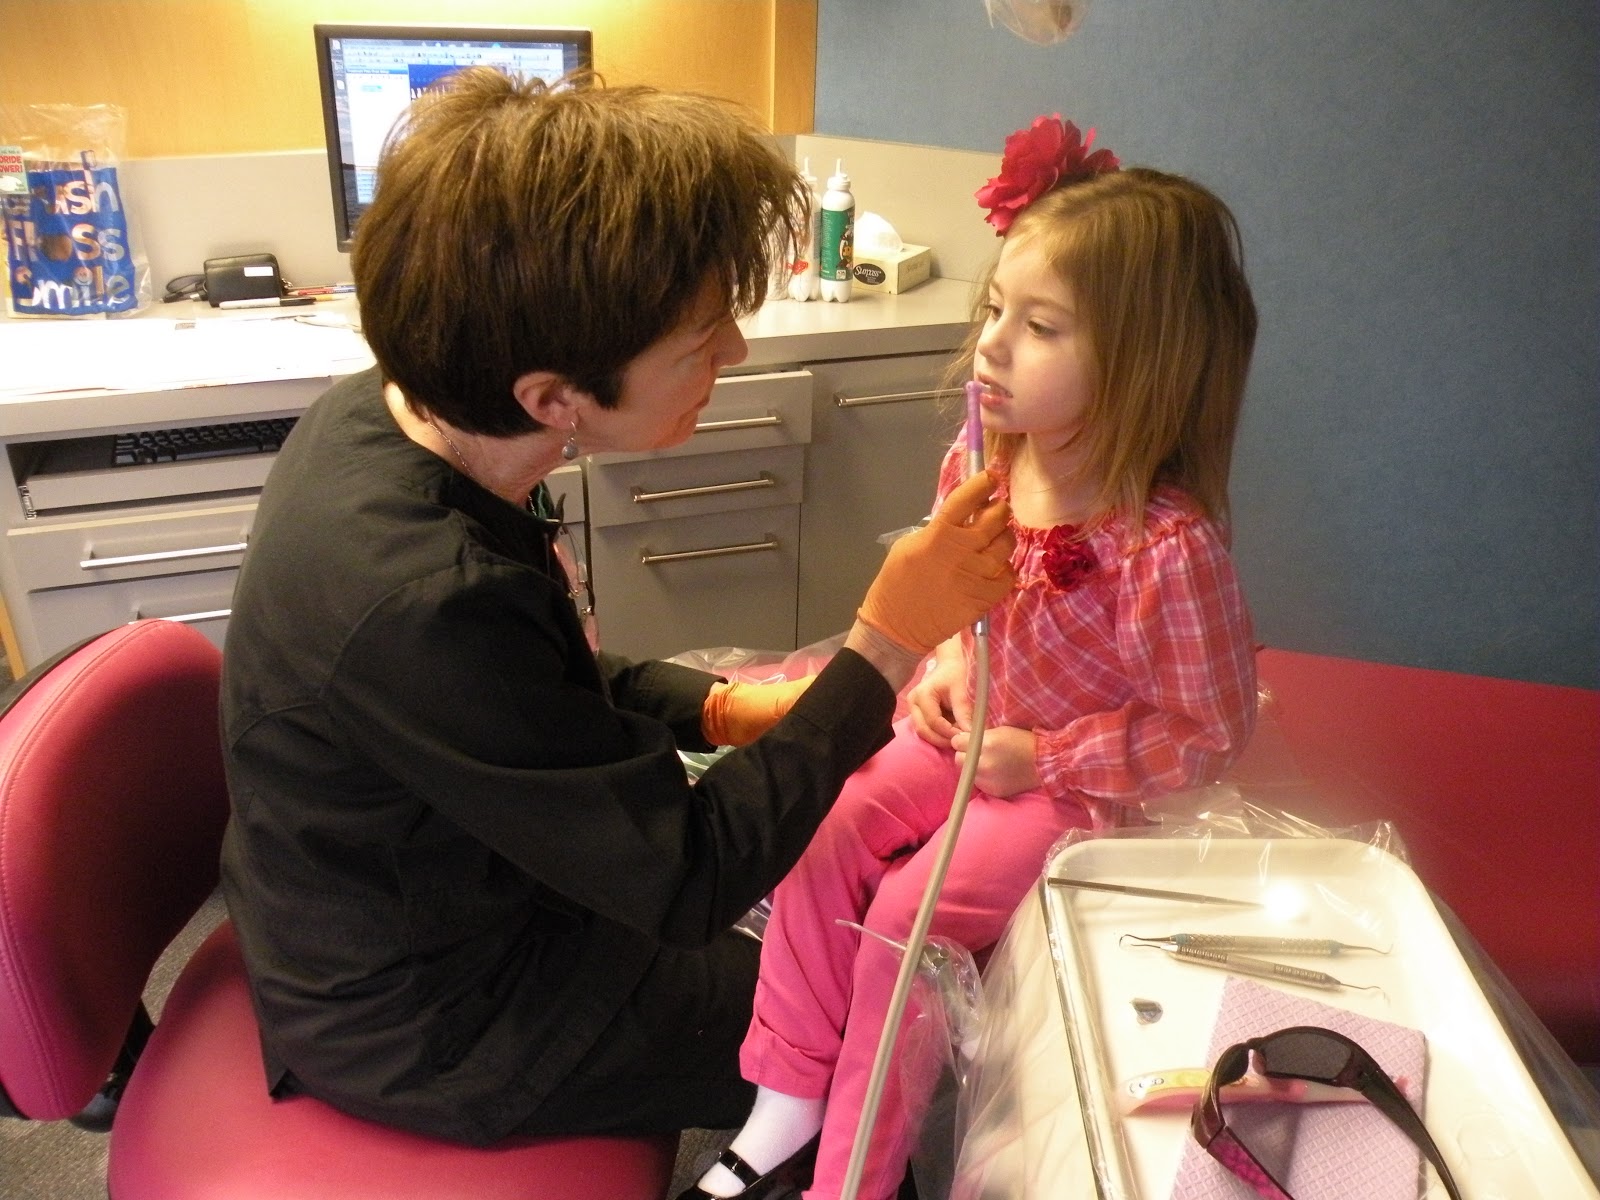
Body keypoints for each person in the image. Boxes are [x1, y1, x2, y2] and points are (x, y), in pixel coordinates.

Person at [217, 68, 1016, 1149]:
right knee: (874, 1021)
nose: (733, 354)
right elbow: (687, 875)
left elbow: (531, 687)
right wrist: (884, 644)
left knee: (834, 948)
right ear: (553, 398)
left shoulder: (393, 415)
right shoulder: (422, 597)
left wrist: (725, 709)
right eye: (699, 340)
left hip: (471, 887)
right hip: (437, 1019)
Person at [684, 116, 1260, 1200]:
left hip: (1075, 789)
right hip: (966, 734)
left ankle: (850, 1174)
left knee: (909, 923)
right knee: (821, 831)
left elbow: (1208, 733)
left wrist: (1042, 760)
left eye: (1039, 327)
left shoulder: (1164, 549)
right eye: (996, 310)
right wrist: (948, 660)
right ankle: (786, 1101)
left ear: (1142, 363)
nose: (990, 344)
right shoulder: (982, 460)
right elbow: (960, 605)